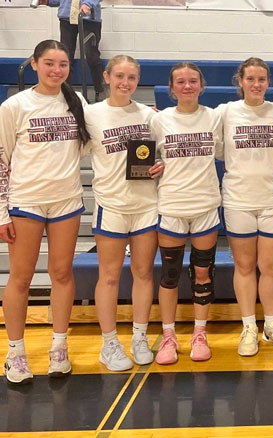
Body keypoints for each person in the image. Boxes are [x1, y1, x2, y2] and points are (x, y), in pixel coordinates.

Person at [0, 40, 89, 384]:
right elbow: (2, 159)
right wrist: (2, 214)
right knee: (20, 278)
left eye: (63, 64)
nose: (56, 70)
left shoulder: (76, 102)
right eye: (49, 63)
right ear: (34, 64)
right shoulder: (14, 106)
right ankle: (16, 353)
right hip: (26, 202)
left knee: (63, 275)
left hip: (66, 200)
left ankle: (59, 347)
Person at [84, 55, 165, 371]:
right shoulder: (91, 115)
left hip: (146, 205)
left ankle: (140, 336)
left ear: (138, 80)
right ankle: (109, 343)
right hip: (111, 205)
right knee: (109, 277)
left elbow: (169, 152)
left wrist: (163, 164)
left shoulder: (149, 116)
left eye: (131, 77)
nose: (125, 82)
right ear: (106, 76)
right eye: (119, 76)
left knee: (143, 274)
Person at [217, 58, 273, 357]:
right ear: (240, 81)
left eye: (262, 79)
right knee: (245, 267)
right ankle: (249, 325)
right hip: (238, 200)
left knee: (272, 267)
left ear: (268, 82)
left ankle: (272, 324)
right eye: (250, 79)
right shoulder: (226, 112)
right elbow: (208, 139)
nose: (256, 84)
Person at [150, 62, 223, 365]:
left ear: (202, 85)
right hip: (172, 205)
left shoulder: (215, 117)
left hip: (205, 204)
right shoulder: (160, 120)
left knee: (203, 273)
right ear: (172, 88)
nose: (187, 86)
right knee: (169, 274)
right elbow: (146, 155)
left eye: (193, 81)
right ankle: (168, 335)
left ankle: (199, 332)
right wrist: (157, 165)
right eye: (181, 82)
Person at [41, 0, 105, 101]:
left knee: (91, 55)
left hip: (89, 18)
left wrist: (87, 3)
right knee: (65, 57)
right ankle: (66, 92)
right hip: (66, 18)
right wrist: (48, 1)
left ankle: (100, 90)